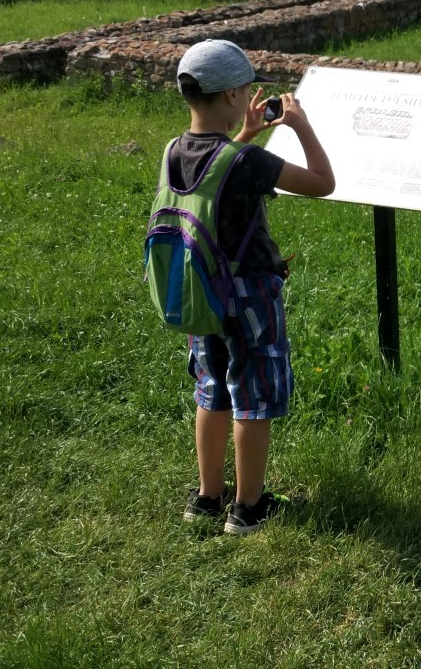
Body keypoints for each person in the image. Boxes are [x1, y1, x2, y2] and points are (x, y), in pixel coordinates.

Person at [166, 39, 335, 534]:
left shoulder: (175, 150)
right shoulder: (247, 162)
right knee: (253, 395)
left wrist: (245, 134)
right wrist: (300, 125)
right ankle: (248, 508)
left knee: (212, 389)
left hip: (203, 290)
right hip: (250, 295)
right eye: (245, 90)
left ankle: (207, 497)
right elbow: (323, 181)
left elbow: (215, 175)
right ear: (232, 95)